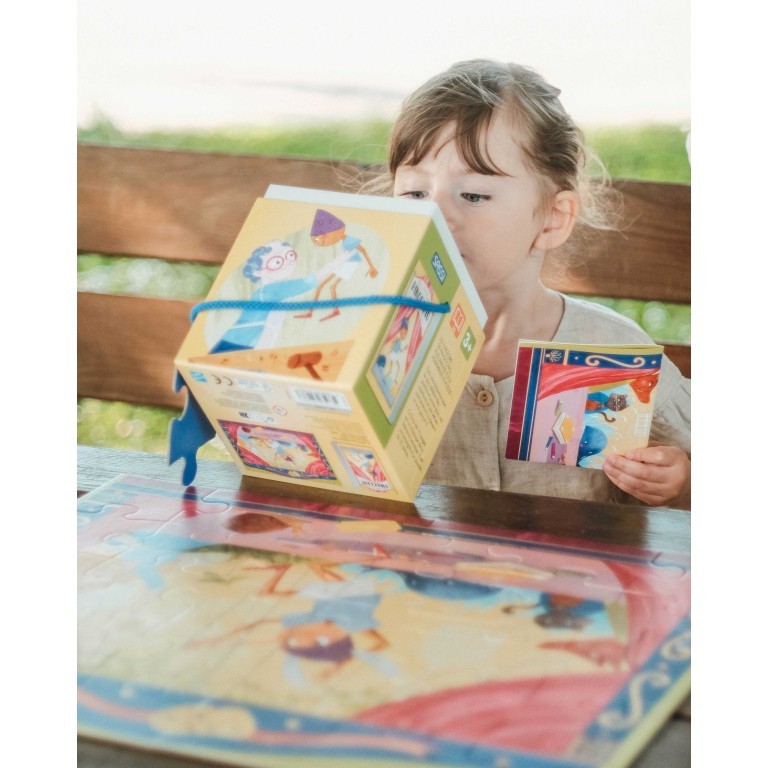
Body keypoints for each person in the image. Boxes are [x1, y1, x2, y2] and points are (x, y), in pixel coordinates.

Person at [365, 59, 690, 507]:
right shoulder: (375, 341)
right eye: (415, 193)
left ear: (552, 219)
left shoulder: (612, 349)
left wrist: (681, 480)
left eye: (474, 195)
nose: (434, 215)